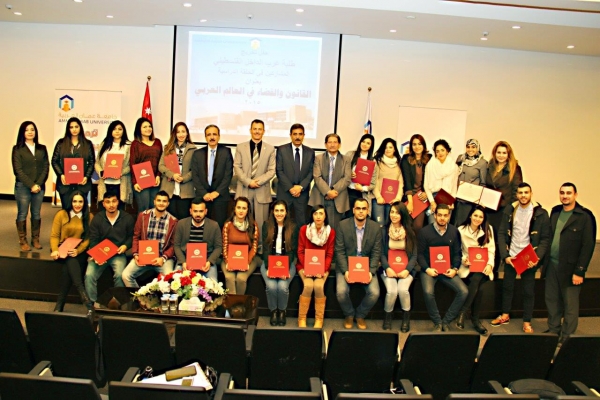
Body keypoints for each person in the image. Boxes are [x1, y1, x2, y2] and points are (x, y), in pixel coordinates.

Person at [492, 182, 550, 333]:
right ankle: (505, 315)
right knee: (507, 287)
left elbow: (545, 239)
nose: (523, 195)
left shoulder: (541, 213)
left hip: (528, 258)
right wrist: (505, 256)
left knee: (528, 291)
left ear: (531, 194)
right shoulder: (510, 210)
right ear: (517, 195)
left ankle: (527, 322)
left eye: (526, 192)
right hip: (512, 256)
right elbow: (502, 233)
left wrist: (536, 258)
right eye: (520, 193)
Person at [545, 183, 595, 343]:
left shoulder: (585, 216)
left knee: (570, 304)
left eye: (568, 193)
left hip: (571, 268)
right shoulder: (555, 212)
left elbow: (588, 246)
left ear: (575, 195)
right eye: (562, 193)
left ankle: (567, 337)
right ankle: (553, 331)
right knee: (552, 300)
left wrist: (580, 271)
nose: (565, 196)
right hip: (552, 265)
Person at [417, 203, 467, 331]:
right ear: (434, 215)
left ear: (449, 216)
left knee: (464, 291)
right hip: (429, 270)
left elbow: (457, 253)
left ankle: (446, 321)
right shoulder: (424, 232)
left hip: (447, 269)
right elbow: (419, 254)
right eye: (439, 215)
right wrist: (427, 269)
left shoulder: (454, 231)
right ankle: (437, 322)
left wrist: (455, 269)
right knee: (428, 292)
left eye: (445, 215)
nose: (442, 218)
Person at [335, 198, 382, 330]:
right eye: (358, 208)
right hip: (347, 266)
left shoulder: (375, 227)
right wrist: (345, 271)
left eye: (363, 209)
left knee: (374, 292)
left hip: (366, 267)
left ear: (368, 211)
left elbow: (376, 252)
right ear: (353, 210)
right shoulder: (343, 225)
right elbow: (339, 251)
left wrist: (371, 272)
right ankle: (349, 314)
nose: (361, 211)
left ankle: (360, 315)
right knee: (341, 292)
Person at [233, 119, 276, 251]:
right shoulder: (241, 147)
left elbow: (271, 170)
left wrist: (257, 182)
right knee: (242, 221)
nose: (257, 131)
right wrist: (248, 182)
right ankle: (243, 248)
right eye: (255, 129)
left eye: (259, 129)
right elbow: (237, 167)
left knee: (261, 222)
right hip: (244, 189)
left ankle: (260, 249)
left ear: (263, 131)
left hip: (261, 190)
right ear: (250, 130)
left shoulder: (270, 149)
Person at [84, 193, 134, 304]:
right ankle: (92, 304)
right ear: (103, 204)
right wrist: (96, 255)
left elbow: (132, 237)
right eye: (108, 202)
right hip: (101, 252)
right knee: (89, 275)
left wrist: (126, 246)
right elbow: (93, 239)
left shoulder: (127, 218)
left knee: (120, 275)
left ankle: (118, 303)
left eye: (114, 201)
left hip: (118, 253)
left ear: (118, 202)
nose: (111, 205)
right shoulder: (98, 218)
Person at [122, 191, 178, 288]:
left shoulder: (173, 221)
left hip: (162, 258)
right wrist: (136, 254)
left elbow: (174, 245)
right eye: (159, 200)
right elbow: (136, 236)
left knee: (169, 280)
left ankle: (160, 297)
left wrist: (163, 258)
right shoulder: (143, 216)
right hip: (144, 256)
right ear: (154, 201)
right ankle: (139, 295)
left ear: (168, 203)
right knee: (126, 275)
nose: (161, 203)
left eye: (164, 201)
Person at [50, 191, 93, 313]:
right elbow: (54, 235)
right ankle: (83, 295)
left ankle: (59, 305)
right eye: (75, 201)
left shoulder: (89, 216)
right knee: (70, 261)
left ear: (84, 203)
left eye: (80, 201)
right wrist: (55, 250)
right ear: (70, 202)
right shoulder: (61, 214)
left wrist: (78, 250)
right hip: (62, 249)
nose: (77, 204)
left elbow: (88, 239)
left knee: (68, 269)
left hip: (78, 250)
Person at [456, 205, 495, 335]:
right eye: (475, 215)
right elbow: (457, 250)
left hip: (483, 266)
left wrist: (490, 264)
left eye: (480, 217)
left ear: (484, 219)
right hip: (467, 266)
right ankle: (475, 320)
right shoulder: (461, 230)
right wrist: (464, 259)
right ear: (470, 216)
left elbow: (491, 250)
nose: (477, 219)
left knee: (477, 279)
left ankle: (463, 312)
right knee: (480, 288)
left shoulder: (488, 229)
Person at [11, 121, 49, 251]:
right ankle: (23, 241)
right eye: (27, 130)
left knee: (36, 213)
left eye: (32, 129)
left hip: (39, 187)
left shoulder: (42, 148)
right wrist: (31, 185)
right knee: (22, 213)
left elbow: (46, 167)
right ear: (23, 132)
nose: (30, 132)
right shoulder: (17, 149)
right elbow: (18, 170)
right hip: (23, 186)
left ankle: (35, 239)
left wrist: (38, 184)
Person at [296, 205, 336, 329]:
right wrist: (308, 268)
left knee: (318, 286)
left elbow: (329, 254)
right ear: (312, 216)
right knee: (308, 285)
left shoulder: (330, 232)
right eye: (315, 213)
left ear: (325, 216)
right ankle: (302, 317)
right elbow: (300, 251)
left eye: (321, 213)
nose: (318, 216)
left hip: (322, 267)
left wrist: (322, 270)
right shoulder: (304, 230)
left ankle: (319, 319)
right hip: (304, 265)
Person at [260, 200, 299, 326]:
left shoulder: (293, 227)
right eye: (276, 210)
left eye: (282, 210)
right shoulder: (266, 225)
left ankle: (282, 311)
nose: (279, 213)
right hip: (269, 261)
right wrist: (269, 267)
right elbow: (266, 249)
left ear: (286, 212)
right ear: (273, 212)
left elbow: (292, 251)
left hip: (287, 262)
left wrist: (285, 269)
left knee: (282, 287)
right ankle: (273, 311)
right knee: (271, 286)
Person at [380, 202, 417, 332]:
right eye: (392, 212)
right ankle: (387, 318)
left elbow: (414, 255)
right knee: (392, 291)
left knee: (403, 290)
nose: (394, 215)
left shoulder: (410, 232)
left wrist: (407, 270)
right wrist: (387, 268)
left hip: (406, 270)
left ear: (403, 215)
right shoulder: (384, 231)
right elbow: (381, 253)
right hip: (388, 269)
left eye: (397, 212)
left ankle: (406, 318)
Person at [192, 124, 233, 228]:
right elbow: (195, 176)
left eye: (214, 134)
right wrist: (204, 193)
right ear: (205, 137)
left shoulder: (226, 152)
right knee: (201, 227)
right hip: (202, 197)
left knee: (218, 227)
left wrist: (217, 192)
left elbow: (228, 175)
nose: (212, 137)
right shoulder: (197, 153)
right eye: (209, 135)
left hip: (221, 197)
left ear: (219, 136)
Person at [308, 133, 352, 231]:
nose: (332, 145)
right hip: (320, 196)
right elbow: (317, 177)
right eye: (330, 142)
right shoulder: (318, 158)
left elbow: (347, 178)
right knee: (317, 228)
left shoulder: (346, 159)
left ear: (339, 144)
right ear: (325, 144)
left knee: (334, 229)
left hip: (338, 197)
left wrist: (334, 191)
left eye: (335, 142)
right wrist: (328, 191)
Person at [173, 198, 222, 281]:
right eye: (195, 211)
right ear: (190, 211)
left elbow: (218, 247)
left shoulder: (214, 225)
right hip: (185, 261)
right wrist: (183, 261)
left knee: (213, 283)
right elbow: (176, 245)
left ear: (206, 211)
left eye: (201, 211)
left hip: (206, 261)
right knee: (175, 281)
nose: (198, 214)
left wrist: (209, 262)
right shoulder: (181, 224)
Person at [275, 123, 315, 226]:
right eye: (295, 134)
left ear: (304, 135)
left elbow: (311, 172)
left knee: (301, 223)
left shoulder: (310, 152)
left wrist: (300, 187)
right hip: (285, 193)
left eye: (300, 134)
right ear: (290, 135)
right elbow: (279, 170)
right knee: (282, 223)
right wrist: (291, 188)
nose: (297, 137)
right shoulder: (281, 150)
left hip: (302, 194)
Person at [51, 117, 95, 209]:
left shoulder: (87, 144)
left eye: (76, 127)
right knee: (66, 210)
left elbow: (92, 162)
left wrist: (86, 177)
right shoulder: (61, 143)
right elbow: (54, 161)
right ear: (68, 129)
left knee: (81, 210)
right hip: (65, 184)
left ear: (80, 127)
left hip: (82, 184)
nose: (74, 129)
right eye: (71, 127)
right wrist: (61, 175)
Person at [221, 197, 261, 294]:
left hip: (248, 259)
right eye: (239, 207)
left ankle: (240, 302)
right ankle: (233, 303)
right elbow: (225, 246)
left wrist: (245, 262)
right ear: (234, 209)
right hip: (229, 258)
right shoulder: (228, 225)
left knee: (241, 278)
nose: (241, 211)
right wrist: (228, 262)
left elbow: (254, 247)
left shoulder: (253, 226)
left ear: (248, 210)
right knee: (229, 277)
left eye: (244, 208)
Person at [158, 122, 196, 219]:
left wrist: (184, 178)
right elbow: (161, 166)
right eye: (178, 132)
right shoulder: (168, 148)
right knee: (169, 219)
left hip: (186, 190)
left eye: (183, 131)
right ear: (174, 134)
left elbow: (196, 170)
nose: (181, 134)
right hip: (169, 189)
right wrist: (172, 175)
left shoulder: (193, 149)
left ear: (187, 133)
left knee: (183, 219)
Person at [485, 141, 523, 233]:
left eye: (504, 153)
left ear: (508, 154)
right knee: (488, 235)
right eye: (499, 152)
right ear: (495, 153)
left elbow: (517, 190)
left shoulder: (515, 168)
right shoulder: (489, 166)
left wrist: (510, 209)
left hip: (504, 209)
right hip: (489, 208)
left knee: (500, 236)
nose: (501, 155)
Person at [95, 120, 133, 209]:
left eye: (120, 129)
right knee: (105, 209)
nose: (117, 131)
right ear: (110, 131)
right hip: (105, 183)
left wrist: (121, 172)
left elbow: (131, 165)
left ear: (123, 131)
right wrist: (101, 172)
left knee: (119, 209)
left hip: (121, 183)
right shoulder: (104, 144)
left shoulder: (129, 145)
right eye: (114, 129)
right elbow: (97, 163)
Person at [401, 134, 431, 235]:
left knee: (418, 226)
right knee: (407, 225)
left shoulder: (430, 159)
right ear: (411, 146)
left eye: (419, 144)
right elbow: (407, 181)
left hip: (421, 197)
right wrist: (410, 202)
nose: (417, 147)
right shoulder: (406, 159)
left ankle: (416, 245)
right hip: (409, 196)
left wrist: (427, 193)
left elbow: (433, 179)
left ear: (424, 145)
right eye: (414, 144)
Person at [130, 117, 162, 212]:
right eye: (144, 127)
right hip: (141, 180)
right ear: (139, 129)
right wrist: (135, 182)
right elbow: (132, 163)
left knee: (154, 209)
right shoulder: (135, 144)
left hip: (155, 181)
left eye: (149, 126)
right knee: (144, 209)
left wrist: (158, 175)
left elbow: (161, 161)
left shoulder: (157, 142)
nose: (148, 128)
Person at [424, 139, 459, 224]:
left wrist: (452, 201)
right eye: (437, 151)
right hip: (433, 198)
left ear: (447, 151)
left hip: (447, 199)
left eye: (442, 150)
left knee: (444, 226)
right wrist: (432, 202)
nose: (440, 153)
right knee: (432, 224)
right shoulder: (430, 165)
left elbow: (454, 186)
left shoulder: (453, 167)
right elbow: (426, 186)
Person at [454, 139, 487, 226]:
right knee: (454, 224)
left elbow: (483, 183)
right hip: (457, 198)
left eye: (473, 147)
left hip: (470, 201)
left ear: (478, 148)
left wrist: (479, 201)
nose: (470, 149)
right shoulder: (460, 158)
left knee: (464, 225)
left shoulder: (482, 163)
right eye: (468, 147)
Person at [372, 138, 404, 227]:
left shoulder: (398, 163)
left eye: (390, 147)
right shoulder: (377, 162)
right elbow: (374, 180)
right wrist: (378, 197)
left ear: (394, 149)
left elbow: (400, 183)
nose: (387, 149)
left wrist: (398, 198)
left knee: (389, 225)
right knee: (379, 225)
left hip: (392, 201)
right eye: (385, 147)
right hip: (378, 200)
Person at [345, 133, 376, 219]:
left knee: (360, 219)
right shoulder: (350, 154)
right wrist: (349, 174)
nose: (365, 144)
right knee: (348, 218)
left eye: (368, 143)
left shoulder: (373, 161)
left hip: (362, 195)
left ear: (371, 146)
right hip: (348, 191)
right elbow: (341, 170)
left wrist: (362, 188)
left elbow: (373, 183)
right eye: (363, 141)